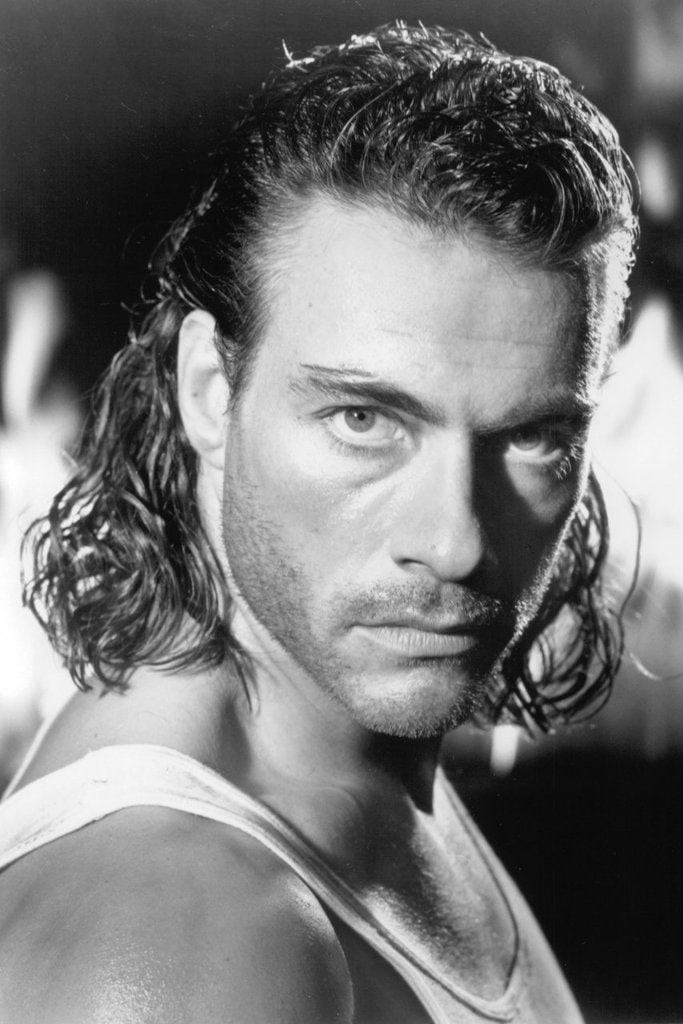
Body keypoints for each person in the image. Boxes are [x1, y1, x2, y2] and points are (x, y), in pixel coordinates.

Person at [0, 22, 636, 1024]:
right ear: (210, 390)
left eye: (531, 437)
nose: (456, 542)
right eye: (363, 421)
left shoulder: (345, 747)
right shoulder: (184, 938)